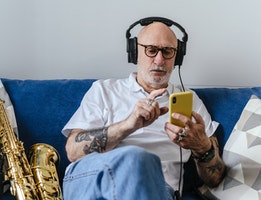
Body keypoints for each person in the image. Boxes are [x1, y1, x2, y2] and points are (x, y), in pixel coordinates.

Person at [62, 17, 225, 200]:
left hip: (158, 190)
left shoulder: (191, 101)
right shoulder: (104, 90)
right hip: (94, 181)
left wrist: (203, 147)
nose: (159, 59)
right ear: (134, 52)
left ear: (177, 57)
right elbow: (73, 151)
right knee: (135, 158)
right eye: (151, 50)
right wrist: (128, 125)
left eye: (168, 51)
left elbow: (215, 178)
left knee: (144, 164)